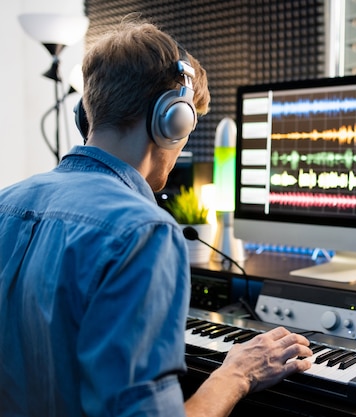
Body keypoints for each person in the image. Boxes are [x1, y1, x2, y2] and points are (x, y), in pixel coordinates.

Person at [0, 19, 312, 417]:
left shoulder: (5, 202)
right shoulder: (144, 232)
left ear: (86, 115)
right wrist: (236, 374)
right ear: (172, 120)